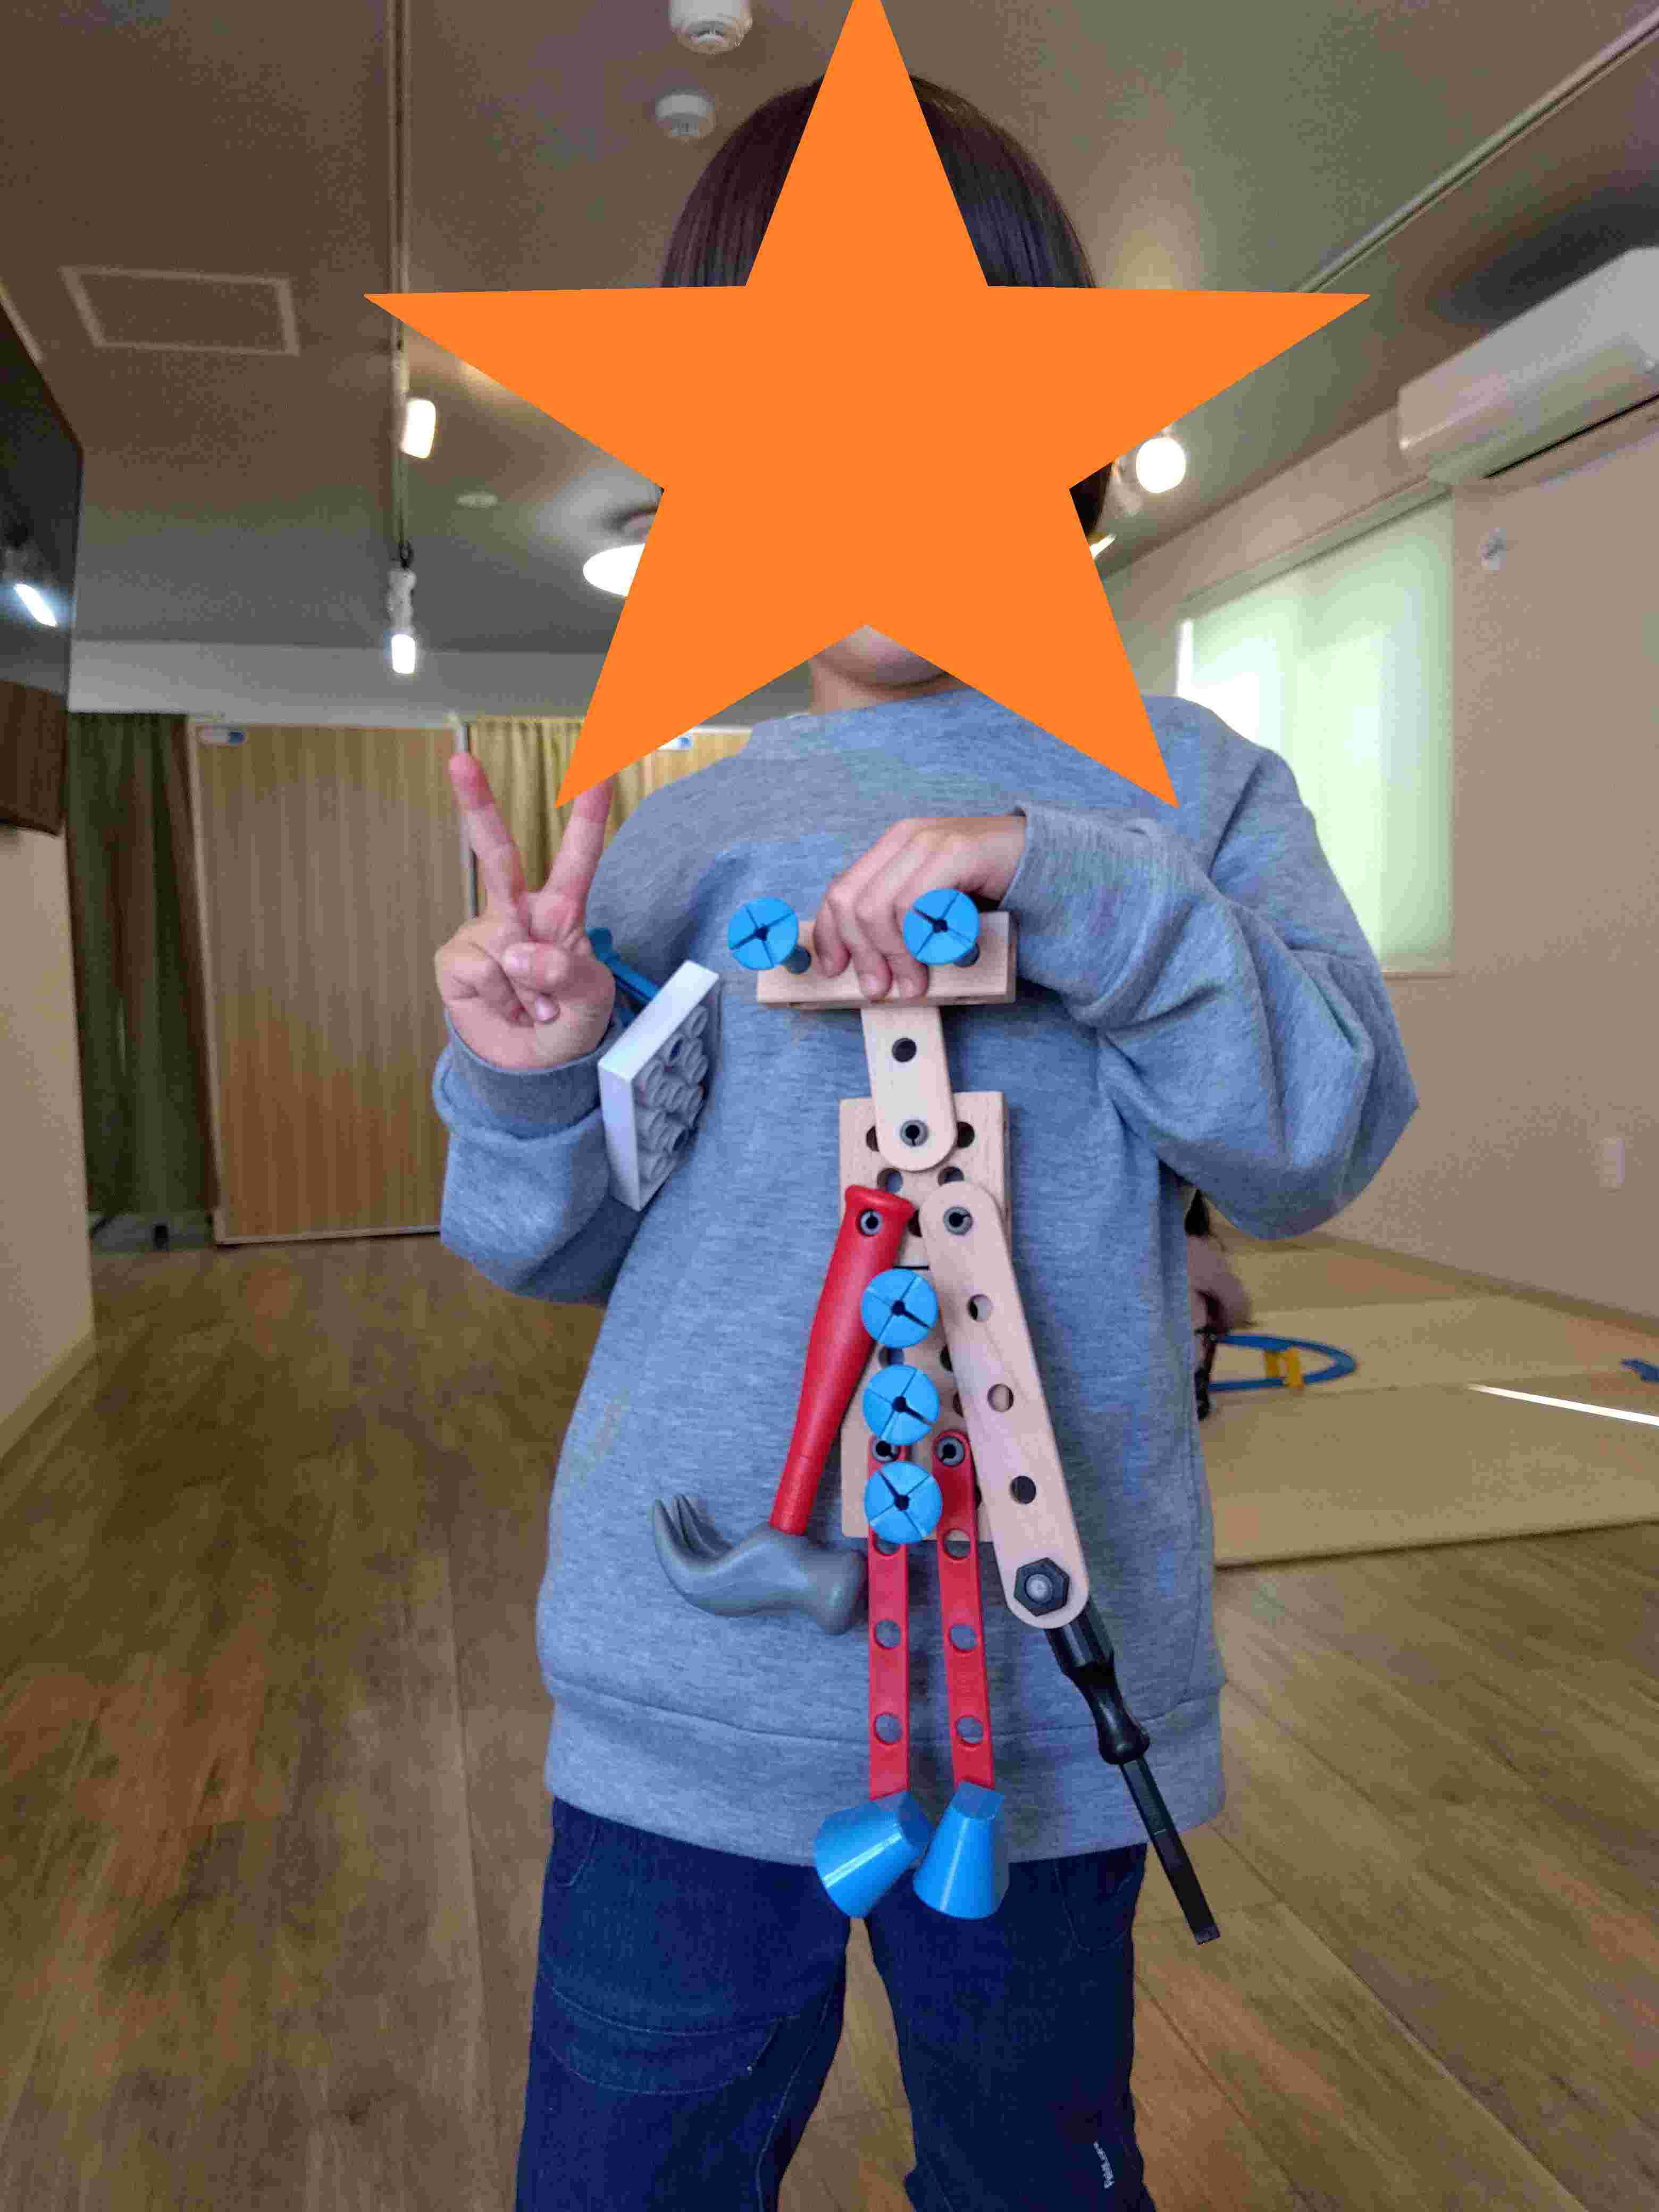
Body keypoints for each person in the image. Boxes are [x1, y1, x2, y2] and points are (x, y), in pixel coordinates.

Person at [430, 73, 1418, 2212]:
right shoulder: (676, 836)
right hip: (681, 1711)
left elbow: (1320, 1133)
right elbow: (539, 1244)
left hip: (1049, 1718)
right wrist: (526, 1071)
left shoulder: (1192, 794)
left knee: (1032, 2169)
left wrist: (1095, 893)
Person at [1184, 1189, 1254, 1419]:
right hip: (1176, 1366)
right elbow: (1235, 1305)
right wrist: (1227, 1323)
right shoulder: (1197, 1247)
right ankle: (1195, 1395)